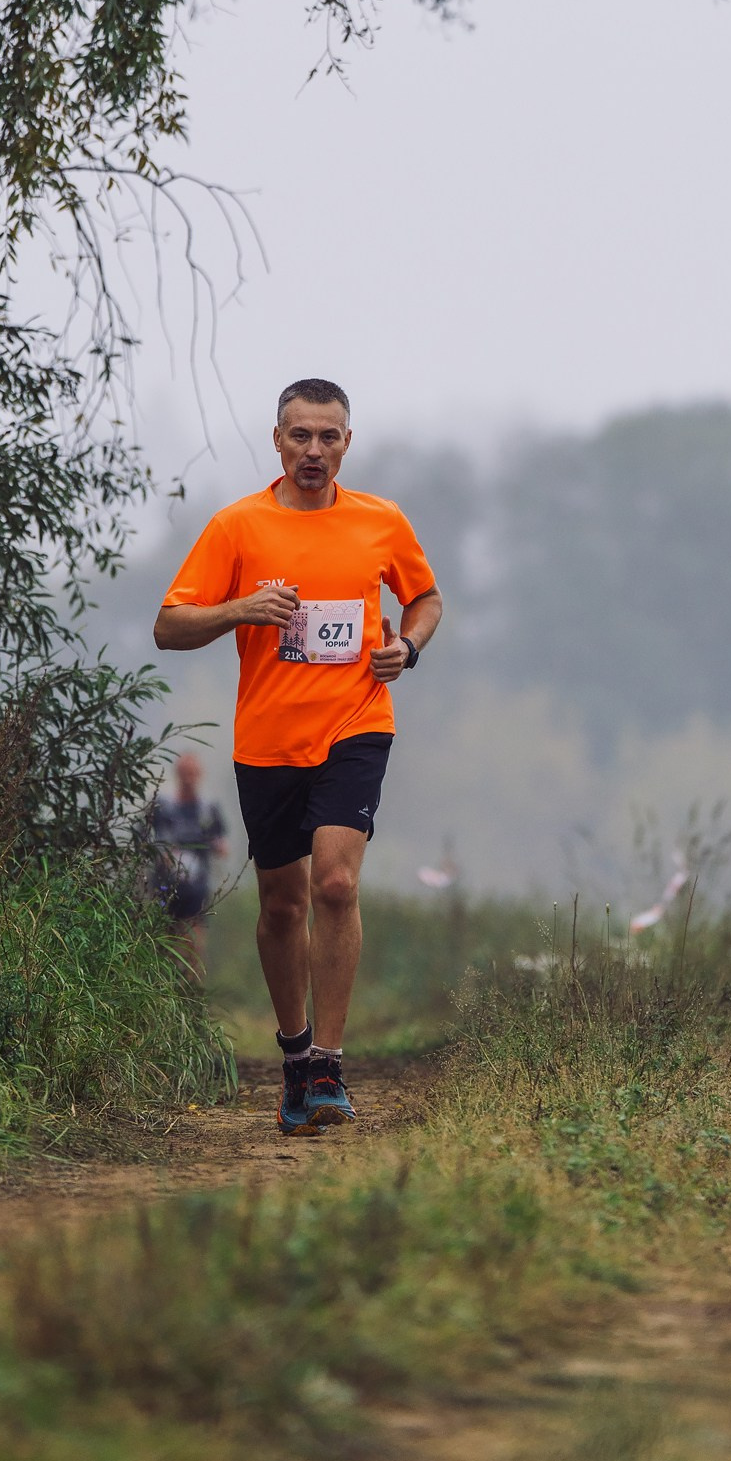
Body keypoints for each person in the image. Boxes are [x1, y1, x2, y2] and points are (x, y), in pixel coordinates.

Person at [153, 378, 442, 1134]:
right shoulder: (238, 527)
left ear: (348, 443)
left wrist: (404, 648)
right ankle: (292, 1060)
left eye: (329, 437)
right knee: (282, 904)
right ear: (277, 440)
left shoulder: (381, 522)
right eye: (300, 436)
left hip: (356, 725)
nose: (314, 451)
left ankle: (329, 1065)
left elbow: (427, 598)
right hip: (269, 742)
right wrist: (239, 609)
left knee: (337, 884)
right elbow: (169, 626)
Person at [147, 749, 229, 978]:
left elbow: (222, 844)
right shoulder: (164, 805)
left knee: (194, 943)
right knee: (162, 941)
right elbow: (146, 838)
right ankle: (163, 992)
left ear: (199, 775)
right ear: (177, 774)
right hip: (164, 885)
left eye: (193, 773)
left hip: (196, 887)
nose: (189, 778)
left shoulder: (208, 809)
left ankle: (191, 994)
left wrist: (213, 845)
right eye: (185, 773)